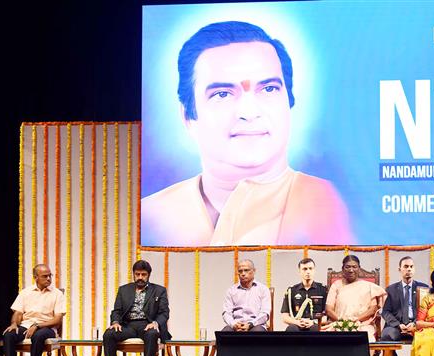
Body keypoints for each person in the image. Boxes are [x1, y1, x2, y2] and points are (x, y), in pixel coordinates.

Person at [141, 20, 353, 246]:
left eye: (269, 89)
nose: (249, 112)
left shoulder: (327, 205)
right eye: (222, 94)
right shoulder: (149, 218)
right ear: (188, 117)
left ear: (289, 105)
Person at [101, 260, 171, 356]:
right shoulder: (124, 290)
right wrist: (115, 322)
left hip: (147, 324)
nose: (140, 277)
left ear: (148, 275)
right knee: (109, 334)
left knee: (152, 333)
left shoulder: (159, 290)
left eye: (143, 274)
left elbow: (164, 313)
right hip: (128, 325)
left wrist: (155, 323)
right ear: (133, 274)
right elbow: (116, 311)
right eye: (137, 274)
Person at [1, 264, 65, 356]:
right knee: (9, 334)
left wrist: (37, 325)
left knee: (39, 336)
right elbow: (18, 313)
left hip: (47, 326)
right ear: (36, 277)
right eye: (45, 276)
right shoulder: (25, 292)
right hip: (26, 326)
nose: (49, 279)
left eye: (50, 275)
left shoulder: (57, 294)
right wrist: (14, 324)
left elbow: (57, 319)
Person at [380, 256, 428, 356]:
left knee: (428, 337)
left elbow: (428, 311)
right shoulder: (391, 289)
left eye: (411, 267)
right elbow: (385, 311)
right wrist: (397, 325)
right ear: (399, 269)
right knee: (386, 335)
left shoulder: (423, 288)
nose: (409, 269)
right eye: (406, 267)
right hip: (397, 326)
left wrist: (415, 324)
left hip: (417, 326)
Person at [324, 255, 387, 341]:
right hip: (338, 324)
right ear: (343, 269)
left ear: (359, 269)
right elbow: (328, 309)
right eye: (347, 267)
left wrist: (356, 320)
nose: (351, 270)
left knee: (367, 338)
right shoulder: (336, 285)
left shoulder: (368, 286)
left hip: (362, 324)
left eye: (354, 267)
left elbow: (373, 309)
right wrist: (342, 322)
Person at [222, 259, 271, 332]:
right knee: (224, 333)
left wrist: (250, 324)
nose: (243, 273)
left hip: (255, 324)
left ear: (254, 271)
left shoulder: (263, 289)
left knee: (258, 332)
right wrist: (234, 324)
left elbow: (265, 314)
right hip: (236, 325)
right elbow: (226, 313)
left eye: (246, 270)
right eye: (240, 271)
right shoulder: (231, 291)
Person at [281, 258, 327, 332]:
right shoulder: (291, 291)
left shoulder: (323, 290)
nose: (308, 271)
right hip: (297, 324)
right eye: (304, 269)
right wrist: (296, 322)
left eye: (310, 268)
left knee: (316, 329)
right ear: (299, 271)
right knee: (291, 329)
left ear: (314, 270)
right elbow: (284, 317)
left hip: (314, 324)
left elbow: (328, 316)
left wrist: (313, 322)